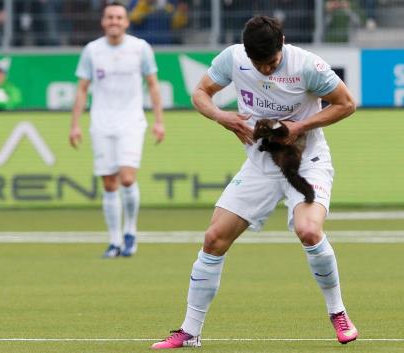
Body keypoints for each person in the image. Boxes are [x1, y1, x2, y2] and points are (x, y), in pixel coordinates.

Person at [151, 16, 358, 349]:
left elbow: (346, 103)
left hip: (307, 162)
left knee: (308, 230)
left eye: (271, 63)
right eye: (258, 64)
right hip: (260, 164)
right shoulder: (232, 58)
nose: (265, 70)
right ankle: (190, 332)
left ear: (283, 44)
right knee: (214, 238)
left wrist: (300, 127)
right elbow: (201, 93)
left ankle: (338, 313)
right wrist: (222, 116)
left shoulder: (308, 65)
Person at [69, 1, 165, 258]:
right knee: (109, 183)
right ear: (103, 21)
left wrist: (159, 121)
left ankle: (130, 231)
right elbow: (82, 89)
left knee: (127, 178)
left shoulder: (140, 48)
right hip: (101, 122)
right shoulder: (92, 50)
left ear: (126, 21)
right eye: (110, 17)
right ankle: (114, 240)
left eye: (118, 17)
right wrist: (75, 125)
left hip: (131, 122)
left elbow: (153, 85)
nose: (114, 21)